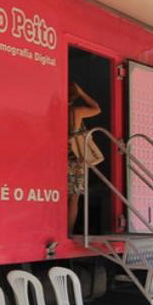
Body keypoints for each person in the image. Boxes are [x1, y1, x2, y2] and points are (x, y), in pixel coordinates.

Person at [68, 81, 101, 233]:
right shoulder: (76, 112)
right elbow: (96, 108)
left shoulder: (53, 111)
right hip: (76, 159)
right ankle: (68, 231)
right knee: (73, 198)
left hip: (58, 158)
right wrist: (82, 93)